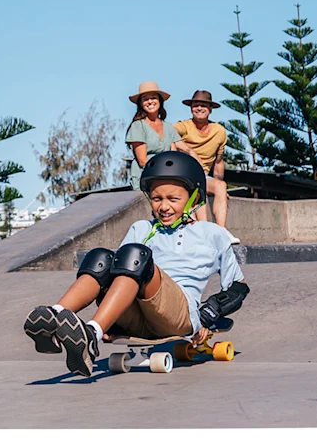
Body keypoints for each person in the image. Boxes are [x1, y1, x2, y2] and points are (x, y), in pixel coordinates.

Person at [21, 151, 249, 377]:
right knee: (101, 259)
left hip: (178, 315)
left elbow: (238, 287)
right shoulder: (141, 228)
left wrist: (209, 313)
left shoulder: (212, 234)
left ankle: (91, 333)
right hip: (137, 316)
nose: (164, 206)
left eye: (173, 199)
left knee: (135, 256)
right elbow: (117, 275)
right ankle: (54, 316)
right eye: (157, 199)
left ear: (195, 199)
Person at [174, 90, 230, 227]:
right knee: (198, 189)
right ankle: (202, 228)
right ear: (191, 108)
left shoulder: (219, 131)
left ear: (210, 109)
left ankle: (221, 232)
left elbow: (218, 161)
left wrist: (221, 191)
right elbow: (168, 135)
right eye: (196, 105)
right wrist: (190, 151)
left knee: (221, 186)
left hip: (204, 176)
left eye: (203, 105)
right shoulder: (183, 126)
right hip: (184, 174)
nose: (199, 108)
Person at [124, 81, 192, 174]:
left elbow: (173, 155)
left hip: (169, 174)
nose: (150, 102)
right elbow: (142, 161)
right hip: (147, 175)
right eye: (145, 99)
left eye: (153, 98)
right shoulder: (138, 126)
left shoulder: (168, 127)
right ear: (141, 103)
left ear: (160, 101)